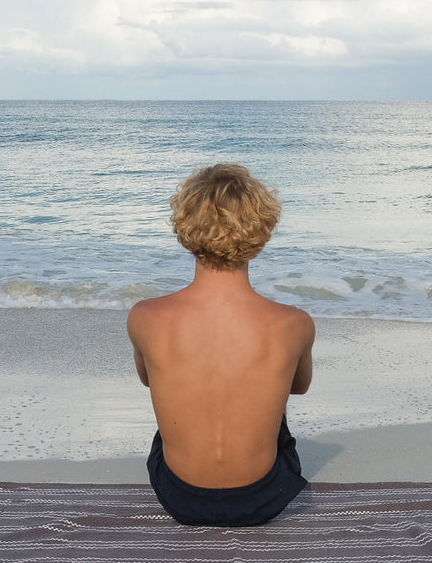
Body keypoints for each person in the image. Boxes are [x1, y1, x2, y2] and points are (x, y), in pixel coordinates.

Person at [127, 164, 316, 526]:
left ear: (184, 228)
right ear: (261, 233)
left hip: (179, 499)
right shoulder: (294, 322)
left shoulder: (145, 316)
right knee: (272, 404)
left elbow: (150, 380)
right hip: (264, 499)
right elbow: (299, 387)